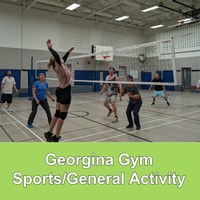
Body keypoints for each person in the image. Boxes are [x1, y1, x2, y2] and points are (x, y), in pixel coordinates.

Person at [44, 39, 74, 142]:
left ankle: (49, 133)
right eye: (59, 60)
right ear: (57, 62)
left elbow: (62, 59)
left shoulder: (58, 65)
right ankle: (56, 137)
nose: (61, 60)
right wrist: (49, 48)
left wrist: (68, 52)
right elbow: (57, 56)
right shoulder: (59, 66)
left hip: (59, 90)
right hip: (65, 91)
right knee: (63, 115)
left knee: (57, 113)